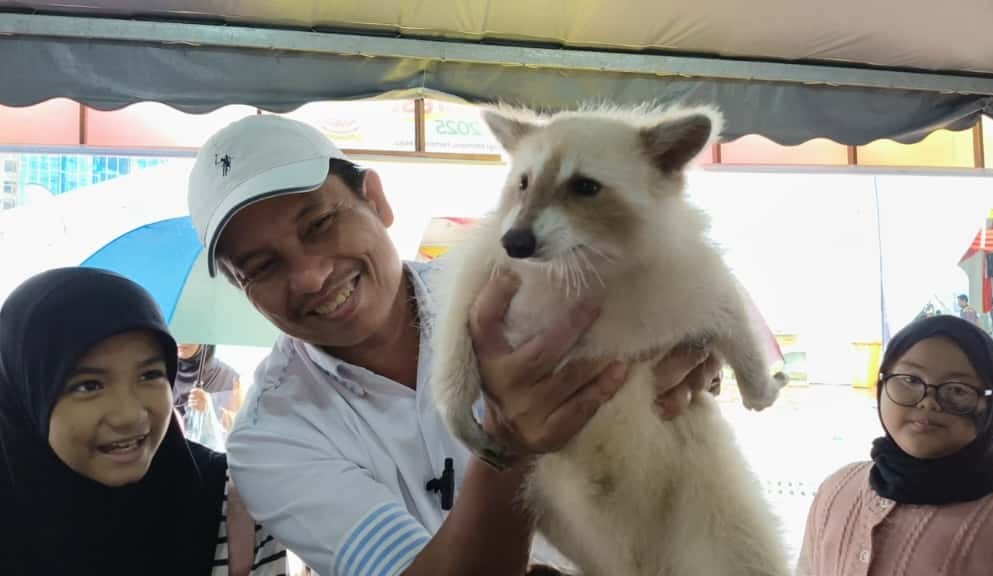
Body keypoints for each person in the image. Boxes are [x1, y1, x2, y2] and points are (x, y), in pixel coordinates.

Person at [186, 114, 726, 576]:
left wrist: (697, 352)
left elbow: (676, 308)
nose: (309, 277)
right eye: (262, 267)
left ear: (376, 199)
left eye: (321, 224)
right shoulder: (272, 438)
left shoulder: (511, 284)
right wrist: (509, 445)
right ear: (241, 288)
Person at [0, 267, 289, 576]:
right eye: (88, 386)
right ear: (24, 396)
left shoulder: (236, 507)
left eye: (150, 375)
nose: (129, 416)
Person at [797, 315, 993, 575]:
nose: (928, 402)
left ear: (990, 404)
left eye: (957, 390)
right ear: (882, 383)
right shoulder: (836, 490)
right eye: (911, 380)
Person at [175, 343, 243, 431]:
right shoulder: (162, 371)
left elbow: (241, 426)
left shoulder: (228, 377)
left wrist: (212, 410)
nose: (181, 341)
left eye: (190, 336)